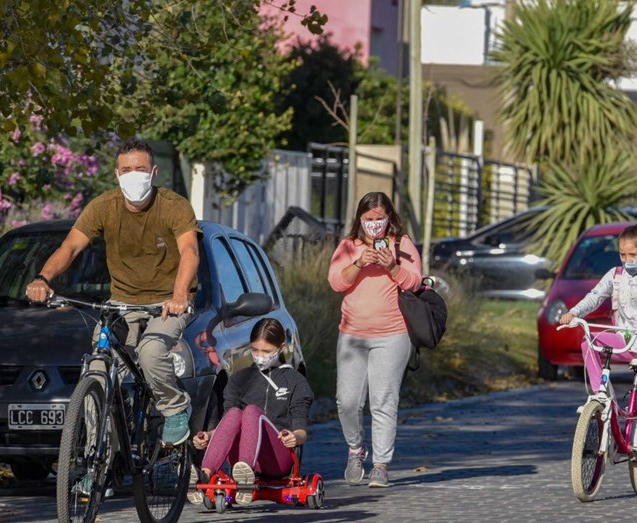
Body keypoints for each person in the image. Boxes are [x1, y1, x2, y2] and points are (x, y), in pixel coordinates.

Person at [25, 137, 200, 446]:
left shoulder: (174, 206)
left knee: (150, 352)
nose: (134, 175)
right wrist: (43, 278)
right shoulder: (104, 207)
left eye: (141, 168)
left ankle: (174, 408)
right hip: (122, 303)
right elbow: (70, 248)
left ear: (154, 172)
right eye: (127, 169)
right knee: (96, 369)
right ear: (117, 174)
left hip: (166, 303)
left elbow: (189, 252)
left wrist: (178, 296)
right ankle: (98, 456)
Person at [559, 221, 637, 481]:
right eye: (622, 255)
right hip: (624, 340)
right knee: (588, 340)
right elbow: (595, 296)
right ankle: (600, 395)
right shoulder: (615, 275)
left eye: (632, 255)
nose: (627, 260)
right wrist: (574, 313)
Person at [327, 191, 422, 488]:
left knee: (383, 400)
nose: (374, 224)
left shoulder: (401, 244)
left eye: (380, 219)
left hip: (392, 335)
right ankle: (356, 449)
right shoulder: (348, 246)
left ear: (389, 218)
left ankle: (381, 464)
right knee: (347, 401)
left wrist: (391, 266)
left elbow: (415, 281)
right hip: (352, 335)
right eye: (368, 219)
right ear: (359, 219)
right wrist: (358, 262)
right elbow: (335, 282)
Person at [189, 318, 314, 506]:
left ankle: (245, 476)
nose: (259, 356)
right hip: (239, 460)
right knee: (233, 413)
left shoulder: (295, 381)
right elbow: (229, 425)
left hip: (277, 458)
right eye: (255, 350)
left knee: (251, 411)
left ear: (282, 348)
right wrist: (209, 436)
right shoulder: (240, 379)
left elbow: (301, 430)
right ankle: (204, 475)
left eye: (266, 351)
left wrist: (294, 437)